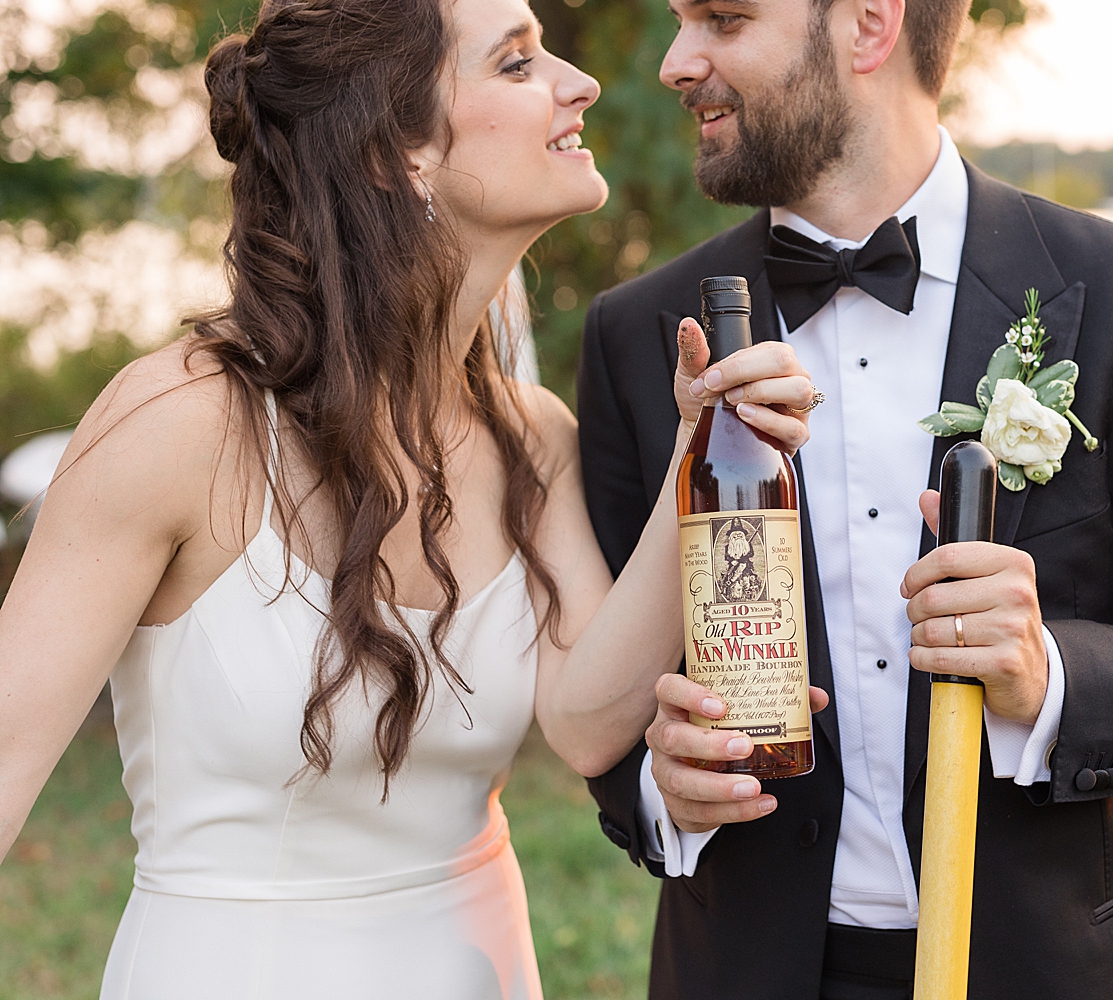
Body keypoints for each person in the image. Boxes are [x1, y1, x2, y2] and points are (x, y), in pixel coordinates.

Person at [0, 0, 816, 996]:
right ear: (397, 152)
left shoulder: (533, 435)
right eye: (517, 64)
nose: (580, 81)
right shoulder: (176, 423)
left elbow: (590, 722)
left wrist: (702, 447)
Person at [577, 0, 1113, 997]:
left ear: (869, 27)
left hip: (1074, 967)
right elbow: (606, 705)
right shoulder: (641, 335)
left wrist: (1049, 676)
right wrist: (660, 790)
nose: (677, 61)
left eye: (722, 17)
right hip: (749, 967)